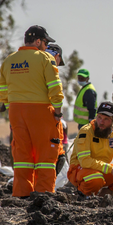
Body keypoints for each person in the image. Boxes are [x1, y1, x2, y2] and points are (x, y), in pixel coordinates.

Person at [0, 25, 64, 198]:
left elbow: (3, 90)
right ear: (37, 41)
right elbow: (55, 88)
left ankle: (21, 193)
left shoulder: (9, 60)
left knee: (22, 154)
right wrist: (57, 112)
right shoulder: (44, 59)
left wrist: (6, 102)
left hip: (15, 111)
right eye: (44, 42)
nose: (45, 46)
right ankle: (44, 193)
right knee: (46, 154)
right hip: (40, 111)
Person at [67, 102, 113, 196]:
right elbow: (85, 161)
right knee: (96, 178)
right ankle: (82, 193)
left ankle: (107, 193)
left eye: (106, 119)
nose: (101, 122)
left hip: (103, 170)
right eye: (99, 117)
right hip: (80, 169)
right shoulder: (86, 131)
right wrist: (111, 169)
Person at [46, 43, 68, 174]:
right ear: (57, 56)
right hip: (48, 115)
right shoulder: (50, 65)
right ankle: (47, 187)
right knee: (57, 156)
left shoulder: (34, 62)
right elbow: (56, 94)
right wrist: (58, 114)